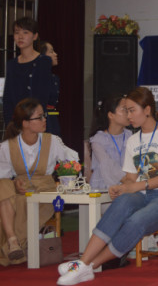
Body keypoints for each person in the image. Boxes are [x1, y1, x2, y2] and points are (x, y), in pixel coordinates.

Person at [56, 87, 158, 285]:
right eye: (126, 110)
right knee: (120, 203)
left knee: (135, 221)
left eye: (132, 110)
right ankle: (82, 263)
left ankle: (89, 265)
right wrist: (122, 188)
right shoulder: (133, 140)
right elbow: (130, 178)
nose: (129, 115)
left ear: (147, 110)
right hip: (142, 195)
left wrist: (135, 186)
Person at [0, 98, 78, 266]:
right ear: (25, 123)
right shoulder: (7, 146)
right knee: (4, 186)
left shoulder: (52, 141)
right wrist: (15, 183)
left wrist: (66, 181)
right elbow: (3, 175)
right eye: (40, 117)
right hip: (20, 191)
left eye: (44, 116)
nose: (44, 120)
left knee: (20, 203)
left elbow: (71, 162)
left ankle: (11, 246)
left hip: (45, 192)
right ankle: (13, 241)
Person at [2, 17, 52, 128]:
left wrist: (31, 121)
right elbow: (7, 98)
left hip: (35, 122)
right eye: (17, 32)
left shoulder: (44, 61)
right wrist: (10, 124)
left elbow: (42, 97)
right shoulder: (11, 64)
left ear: (35, 36)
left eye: (25, 32)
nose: (20, 36)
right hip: (15, 123)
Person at [88, 96, 132, 190]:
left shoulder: (131, 136)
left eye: (130, 109)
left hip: (128, 187)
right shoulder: (98, 140)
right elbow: (107, 164)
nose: (129, 113)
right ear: (111, 115)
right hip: (104, 188)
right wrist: (129, 182)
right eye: (125, 109)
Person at [37, 40, 61, 136]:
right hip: (41, 119)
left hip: (52, 118)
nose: (55, 54)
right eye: (51, 52)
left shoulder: (54, 78)